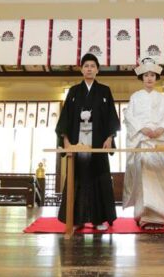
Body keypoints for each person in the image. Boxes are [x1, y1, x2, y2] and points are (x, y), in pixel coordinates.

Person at [56, 53, 120, 231]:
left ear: (98, 69)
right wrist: (66, 141)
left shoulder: (104, 91)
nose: (89, 68)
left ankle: (99, 220)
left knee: (98, 178)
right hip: (77, 141)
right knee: (78, 178)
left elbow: (111, 117)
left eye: (93, 66)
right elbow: (66, 118)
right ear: (81, 69)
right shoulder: (74, 91)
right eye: (86, 66)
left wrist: (110, 138)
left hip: (98, 141)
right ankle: (77, 219)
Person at [123, 58, 164, 230]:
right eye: (146, 75)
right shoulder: (135, 97)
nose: (149, 78)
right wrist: (142, 129)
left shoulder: (162, 98)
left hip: (160, 144)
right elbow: (129, 117)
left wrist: (161, 129)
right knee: (144, 179)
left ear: (156, 78)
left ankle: (162, 216)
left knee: (160, 177)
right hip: (143, 142)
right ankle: (145, 217)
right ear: (142, 77)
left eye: (152, 75)